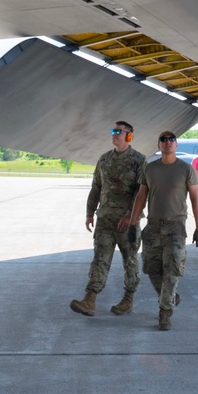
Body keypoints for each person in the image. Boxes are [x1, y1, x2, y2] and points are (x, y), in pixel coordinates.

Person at [126, 129, 198, 330]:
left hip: (175, 228)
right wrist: (133, 224)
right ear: (159, 145)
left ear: (176, 144)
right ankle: (170, 297)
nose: (168, 142)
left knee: (172, 271)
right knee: (152, 269)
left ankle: (164, 313)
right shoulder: (150, 169)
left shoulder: (187, 169)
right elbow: (141, 197)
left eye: (171, 140)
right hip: (152, 227)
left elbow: (195, 199)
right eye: (163, 140)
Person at [70, 121, 147, 317]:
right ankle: (90, 299)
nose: (115, 134)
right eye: (113, 131)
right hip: (105, 220)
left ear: (129, 135)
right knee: (99, 260)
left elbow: (142, 192)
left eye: (119, 131)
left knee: (130, 261)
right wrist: (89, 213)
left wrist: (130, 215)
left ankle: (128, 299)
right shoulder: (104, 159)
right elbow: (96, 187)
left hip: (128, 222)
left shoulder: (139, 160)